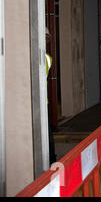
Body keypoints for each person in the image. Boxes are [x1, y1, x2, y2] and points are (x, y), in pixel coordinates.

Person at [45, 28, 57, 165]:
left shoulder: (45, 59)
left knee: (47, 134)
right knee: (48, 133)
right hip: (44, 102)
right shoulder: (47, 58)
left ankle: (51, 160)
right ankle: (52, 158)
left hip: (41, 102)